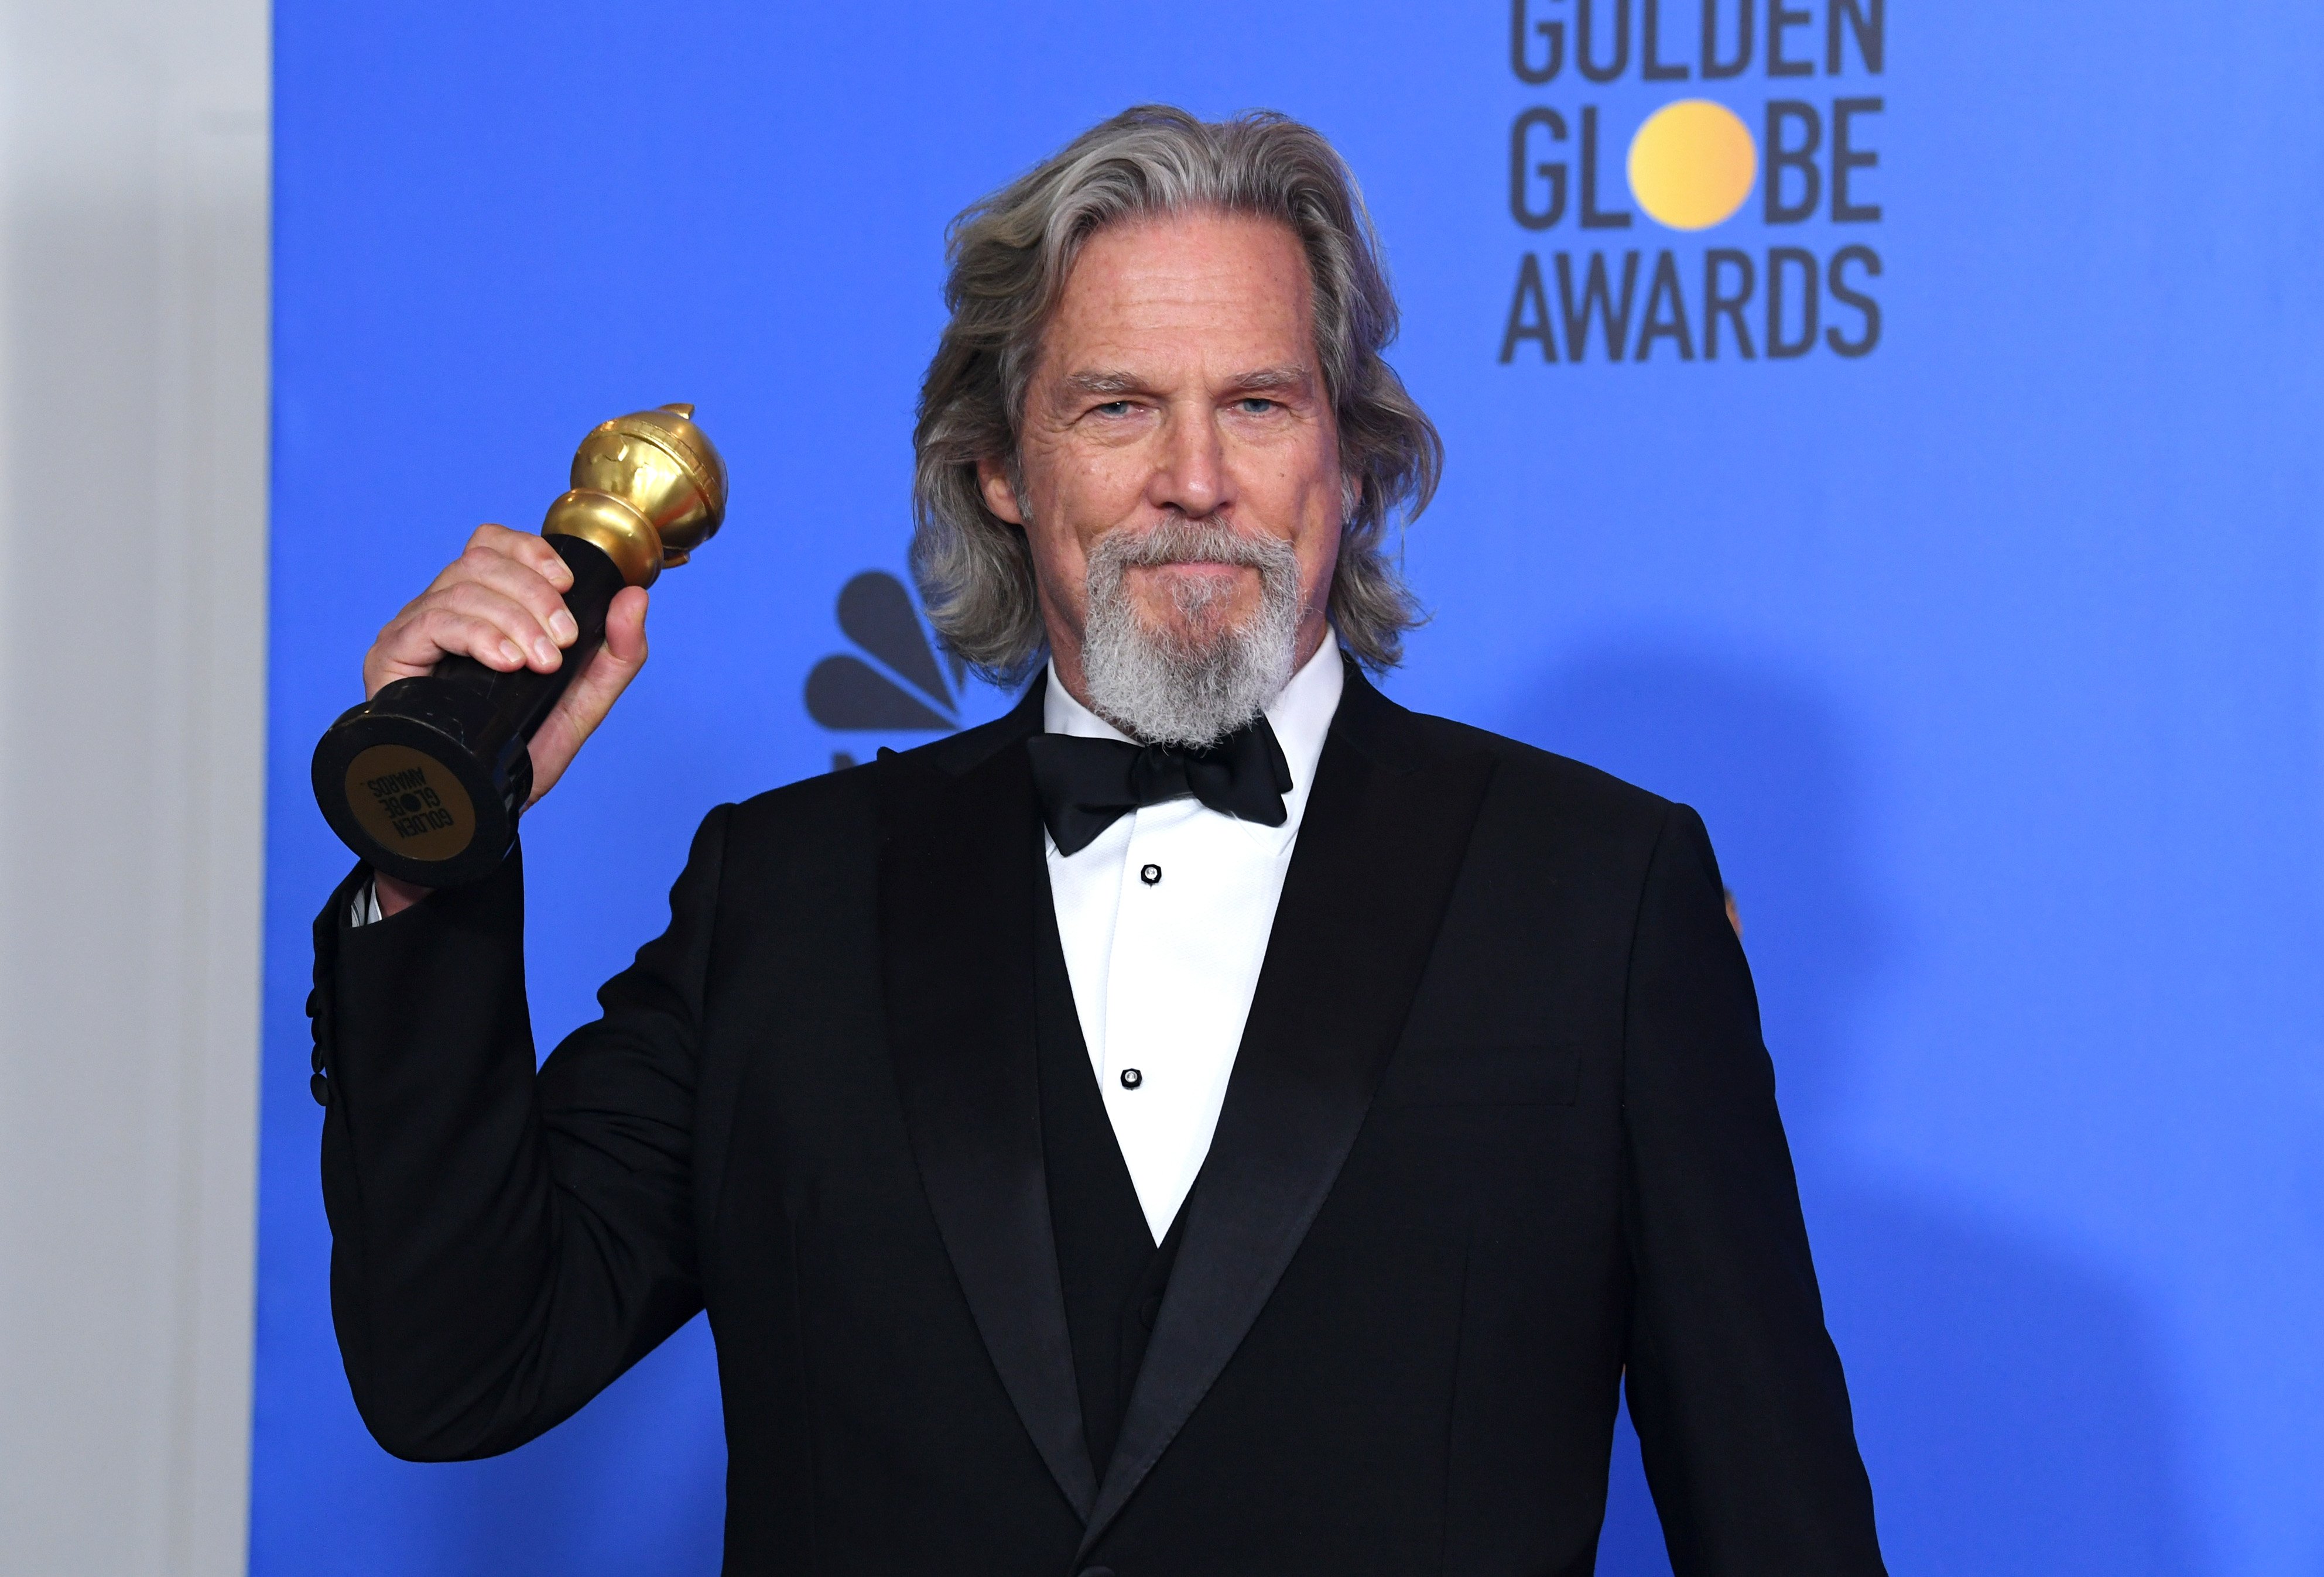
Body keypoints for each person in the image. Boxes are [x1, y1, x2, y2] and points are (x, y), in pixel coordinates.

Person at [310, 105, 1886, 1575]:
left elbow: (1775, 1524)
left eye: (1256, 405)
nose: (1191, 482)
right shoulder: (782, 897)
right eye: (1115, 406)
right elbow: (458, 1368)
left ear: (1349, 458)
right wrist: (424, 856)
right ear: (1000, 465)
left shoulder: (1598, 898)